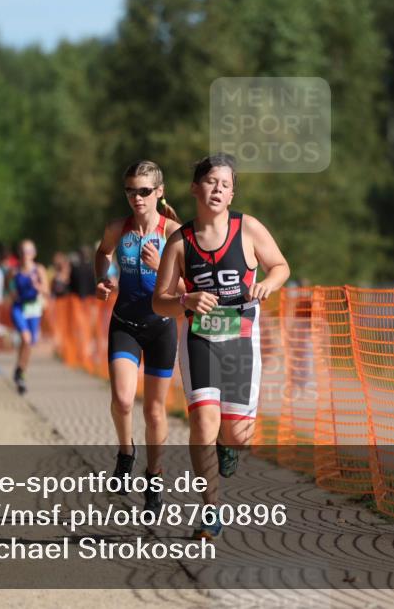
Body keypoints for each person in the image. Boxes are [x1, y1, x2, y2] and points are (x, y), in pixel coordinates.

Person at [153, 153, 290, 539]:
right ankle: (210, 510)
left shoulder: (248, 229)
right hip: (199, 339)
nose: (217, 189)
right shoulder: (180, 242)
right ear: (195, 187)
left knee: (237, 436)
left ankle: (227, 447)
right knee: (202, 423)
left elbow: (280, 266)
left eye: (225, 185)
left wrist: (268, 284)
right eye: (211, 181)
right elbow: (158, 300)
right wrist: (184, 301)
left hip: (241, 340)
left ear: (232, 194)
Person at [95, 161, 182, 515]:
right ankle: (126, 452)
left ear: (159, 192)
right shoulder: (119, 228)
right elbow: (102, 254)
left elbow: (189, 289)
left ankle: (154, 477)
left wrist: (161, 264)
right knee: (122, 400)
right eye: (130, 190)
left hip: (161, 326)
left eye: (144, 191)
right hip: (125, 323)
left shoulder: (174, 233)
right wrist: (103, 279)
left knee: (155, 410)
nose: (137, 197)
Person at [10, 239, 50, 395]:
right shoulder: (14, 271)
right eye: (22, 251)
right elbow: (9, 286)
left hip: (33, 309)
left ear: (33, 254)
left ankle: (20, 372)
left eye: (28, 251)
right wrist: (12, 293)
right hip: (19, 308)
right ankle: (20, 372)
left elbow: (46, 290)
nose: (25, 255)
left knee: (29, 343)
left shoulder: (38, 269)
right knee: (25, 339)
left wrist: (38, 286)